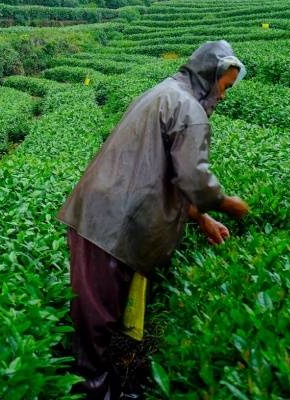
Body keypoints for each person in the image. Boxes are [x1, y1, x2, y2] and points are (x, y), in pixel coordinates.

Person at [57, 40, 251, 399]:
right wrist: (227, 204)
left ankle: (101, 386)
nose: (224, 97)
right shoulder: (189, 109)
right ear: (210, 76)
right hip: (111, 222)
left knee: (98, 313)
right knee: (95, 318)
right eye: (224, 87)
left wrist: (202, 220)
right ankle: (93, 391)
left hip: (105, 215)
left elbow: (170, 176)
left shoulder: (166, 91)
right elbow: (194, 179)